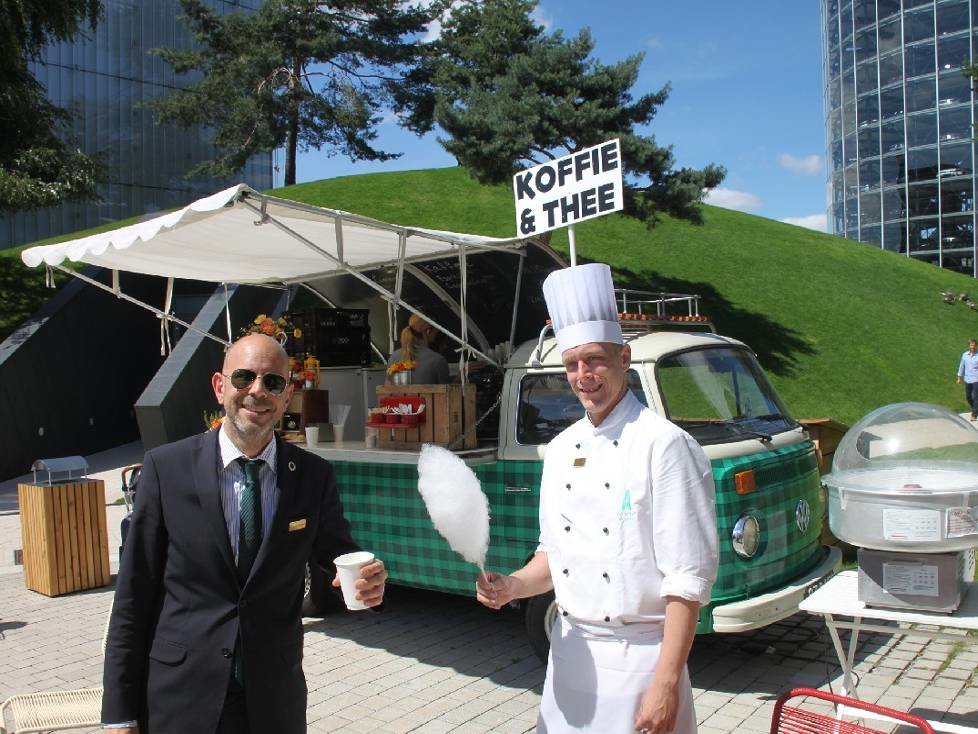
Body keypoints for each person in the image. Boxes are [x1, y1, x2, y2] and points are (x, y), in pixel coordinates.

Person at [476, 263, 718, 734]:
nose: (583, 375)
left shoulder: (665, 446)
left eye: (595, 360)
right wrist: (512, 586)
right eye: (571, 364)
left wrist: (666, 684)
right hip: (569, 655)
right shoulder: (562, 448)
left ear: (624, 357)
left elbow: (687, 583)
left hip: (642, 662)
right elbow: (553, 553)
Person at [102, 334, 387, 734]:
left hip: (272, 700)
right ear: (220, 387)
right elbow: (133, 595)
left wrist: (366, 579)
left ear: (287, 397)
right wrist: (119, 711)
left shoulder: (312, 476)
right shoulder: (166, 470)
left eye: (272, 382)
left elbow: (336, 553)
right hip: (181, 698)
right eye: (244, 377)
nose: (257, 391)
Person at [386, 313, 450, 384]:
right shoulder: (437, 360)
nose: (437, 332)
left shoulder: (393, 357)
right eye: (436, 329)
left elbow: (387, 386)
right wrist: (459, 378)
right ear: (428, 331)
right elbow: (447, 393)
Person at [956, 338, 978, 420]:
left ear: (976, 346)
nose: (972, 347)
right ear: (969, 346)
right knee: (968, 397)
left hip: (976, 379)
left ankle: (974, 415)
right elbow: (962, 366)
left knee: (976, 397)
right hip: (967, 379)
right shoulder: (965, 355)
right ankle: (976, 409)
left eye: (974, 345)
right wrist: (959, 377)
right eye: (971, 345)